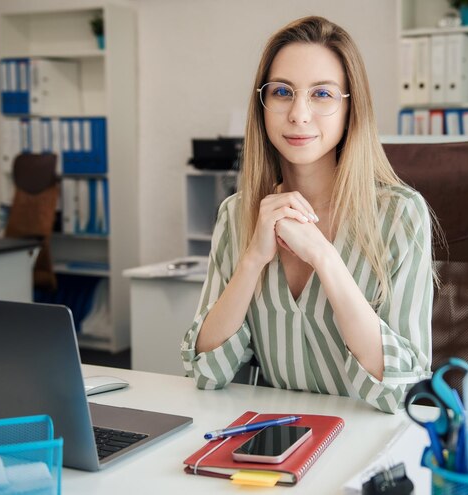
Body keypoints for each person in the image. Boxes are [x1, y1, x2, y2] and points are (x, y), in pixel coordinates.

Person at [181, 16, 433, 414]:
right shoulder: (236, 214)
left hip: (365, 445)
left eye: (322, 94)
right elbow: (205, 370)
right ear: (262, 105)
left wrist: (326, 259)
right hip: (271, 439)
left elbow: (401, 388)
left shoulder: (400, 215)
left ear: (352, 108)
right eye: (282, 92)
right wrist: (252, 260)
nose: (298, 114)